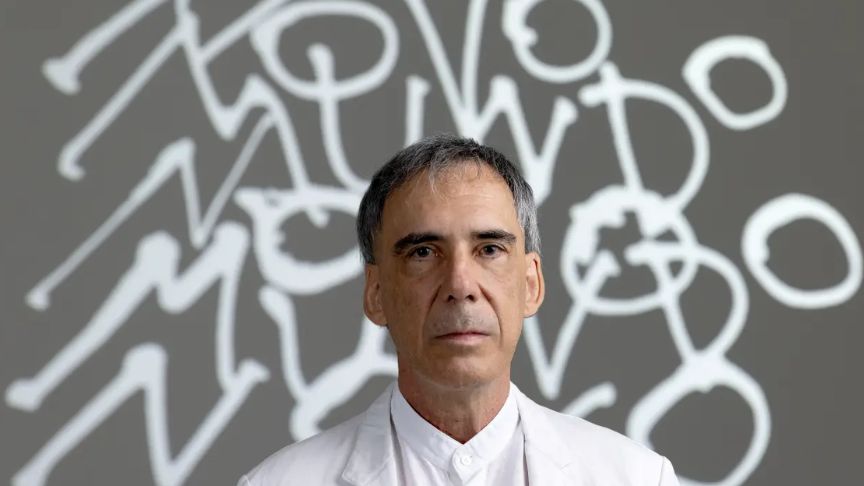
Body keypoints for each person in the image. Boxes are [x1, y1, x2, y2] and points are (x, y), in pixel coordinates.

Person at [238, 135, 680, 485]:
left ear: (531, 284)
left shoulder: (639, 478)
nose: (461, 286)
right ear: (376, 292)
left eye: (489, 249)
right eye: (423, 253)